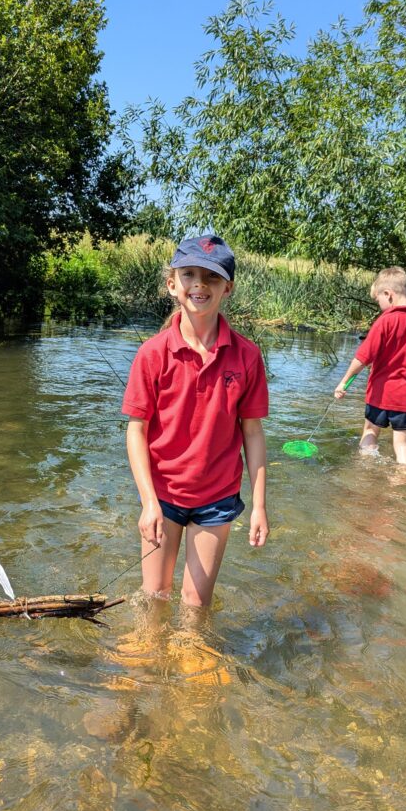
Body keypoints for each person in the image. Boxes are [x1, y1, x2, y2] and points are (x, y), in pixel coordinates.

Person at [121, 235, 269, 608]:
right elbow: (136, 430)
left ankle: (194, 662)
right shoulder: (152, 354)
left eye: (211, 277)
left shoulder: (248, 357)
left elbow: (252, 432)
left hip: (217, 497)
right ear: (172, 284)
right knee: (154, 596)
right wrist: (148, 502)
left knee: (195, 602)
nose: (199, 285)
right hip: (163, 495)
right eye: (189, 274)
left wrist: (259, 505)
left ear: (227, 288)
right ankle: (149, 666)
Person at [334, 266, 406, 465]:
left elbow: (362, 359)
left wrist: (343, 383)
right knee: (403, 444)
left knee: (369, 431)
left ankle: (367, 474)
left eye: (378, 300)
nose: (379, 305)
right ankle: (403, 486)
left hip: (381, 393)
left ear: (388, 294)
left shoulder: (385, 321)